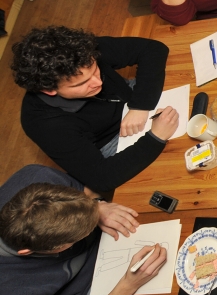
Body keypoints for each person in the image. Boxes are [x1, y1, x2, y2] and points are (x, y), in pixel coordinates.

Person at [11, 26, 179, 194]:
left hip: (134, 99)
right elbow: (102, 178)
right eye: (82, 83)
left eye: (95, 70)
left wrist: (140, 106)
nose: (98, 82)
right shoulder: (42, 123)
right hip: (113, 141)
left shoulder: (78, 51)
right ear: (49, 90)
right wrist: (156, 137)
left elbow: (153, 49)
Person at [0, 164, 167, 295]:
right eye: (77, 237)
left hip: (111, 239)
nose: (89, 231)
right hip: (94, 290)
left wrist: (98, 207)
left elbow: (89, 191)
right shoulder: (12, 292)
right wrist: (128, 285)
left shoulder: (37, 176)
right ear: (27, 251)